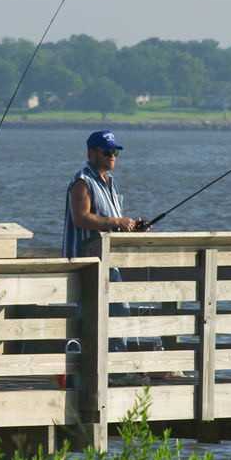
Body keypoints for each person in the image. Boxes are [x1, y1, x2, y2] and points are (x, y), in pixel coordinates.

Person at [62, 130, 158, 360]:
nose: (112, 156)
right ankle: (110, 367)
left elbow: (109, 221)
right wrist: (118, 222)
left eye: (115, 152)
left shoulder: (109, 183)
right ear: (92, 152)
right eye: (107, 152)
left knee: (117, 313)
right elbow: (81, 218)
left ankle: (114, 364)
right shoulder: (82, 182)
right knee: (108, 314)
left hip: (109, 262)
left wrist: (133, 228)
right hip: (87, 263)